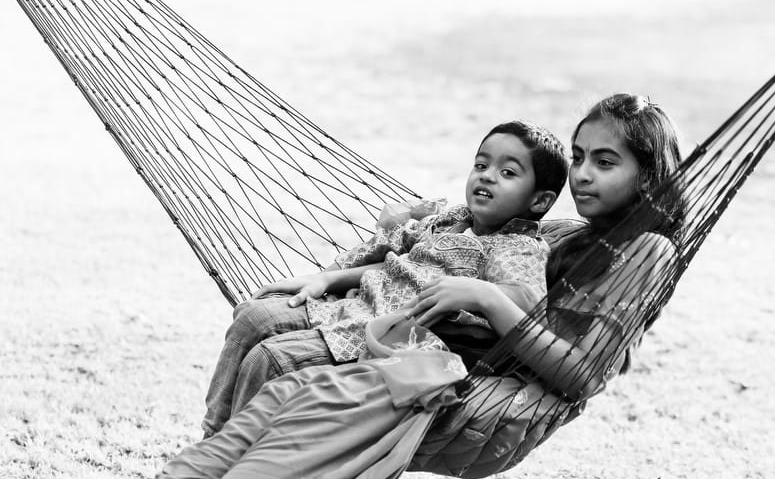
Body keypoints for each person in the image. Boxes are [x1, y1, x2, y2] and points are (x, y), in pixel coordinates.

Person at [12, 94, 684, 479]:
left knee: (294, 431)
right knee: (277, 394)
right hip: (418, 356)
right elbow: (451, 248)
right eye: (580, 158)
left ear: (649, 176)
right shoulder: (573, 234)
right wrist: (352, 276)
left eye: (607, 162)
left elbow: (580, 374)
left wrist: (481, 294)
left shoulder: (642, 249)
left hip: (463, 389)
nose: (585, 175)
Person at [199, 121, 569, 438]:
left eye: (508, 172)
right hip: (353, 305)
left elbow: (526, 302)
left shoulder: (517, 246)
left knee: (270, 360)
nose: (487, 175)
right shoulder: (451, 220)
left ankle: (230, 469)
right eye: (481, 164)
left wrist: (479, 291)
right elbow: (394, 264)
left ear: (538, 201)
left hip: (385, 338)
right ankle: (212, 443)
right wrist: (325, 281)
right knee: (252, 316)